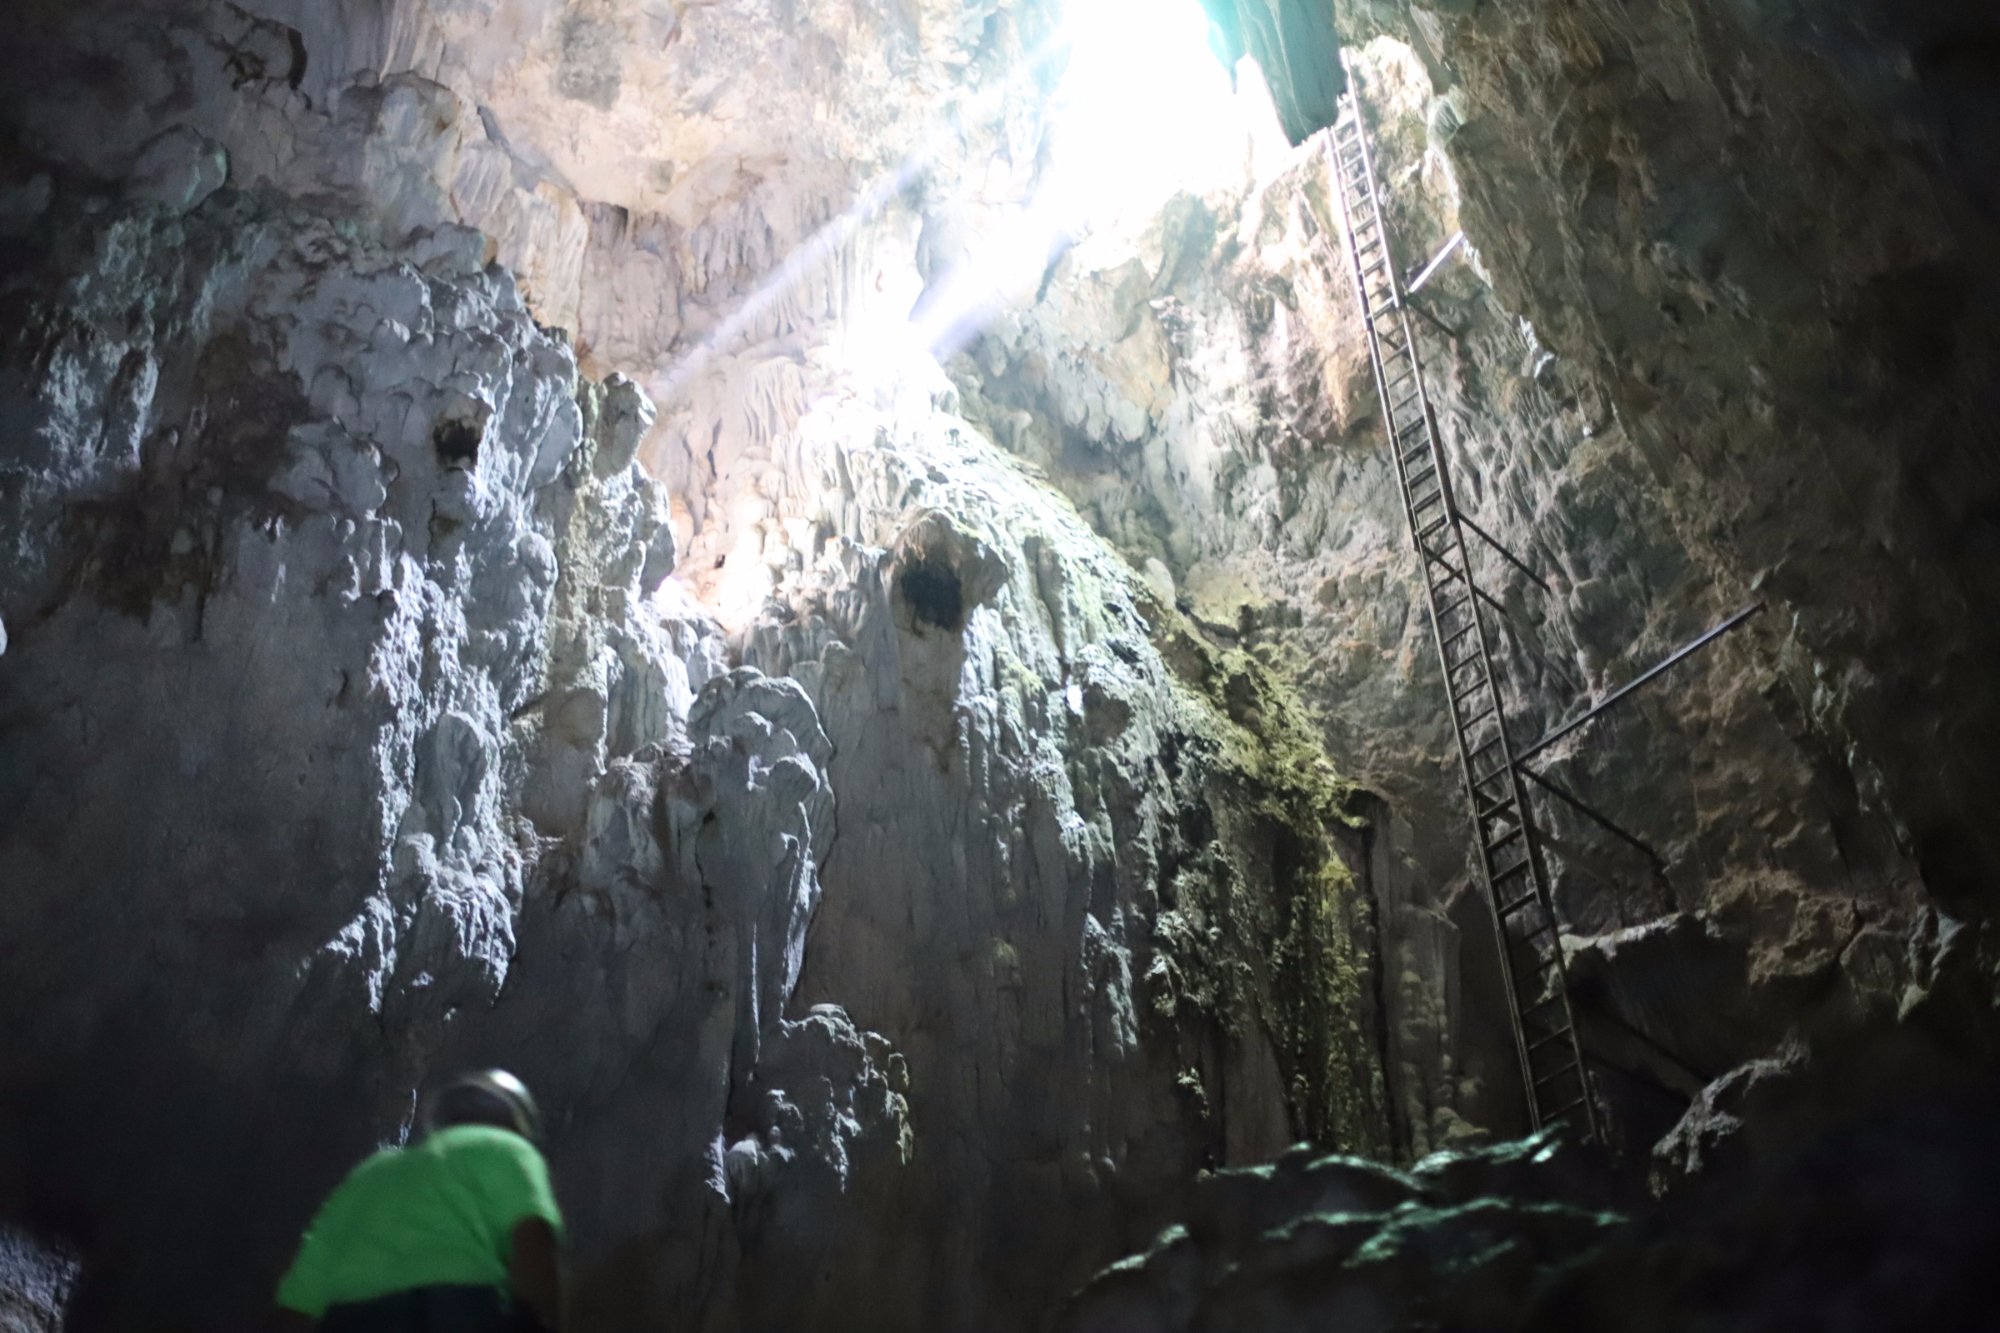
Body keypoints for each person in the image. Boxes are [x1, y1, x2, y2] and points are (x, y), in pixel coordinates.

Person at [271, 1070, 564, 1332]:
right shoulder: (507, 1148)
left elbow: (297, 1302)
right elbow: (532, 1241)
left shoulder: (372, 1173)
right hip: (454, 1311)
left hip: (351, 1319)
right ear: (516, 1122)